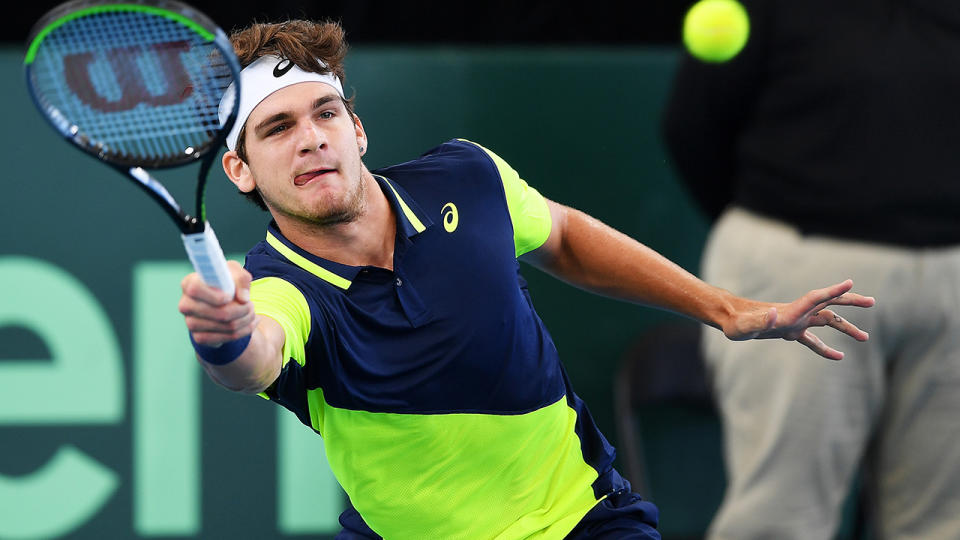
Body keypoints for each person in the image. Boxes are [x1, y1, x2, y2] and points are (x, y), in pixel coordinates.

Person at [178, 18, 874, 540]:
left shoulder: (469, 178)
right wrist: (225, 337)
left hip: (585, 521)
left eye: (325, 113)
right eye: (276, 129)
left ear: (356, 129)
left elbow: (565, 236)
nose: (311, 137)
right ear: (238, 170)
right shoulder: (278, 287)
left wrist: (724, 309)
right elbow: (253, 357)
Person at [661, 1, 960, 539]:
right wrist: (782, 222)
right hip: (797, 266)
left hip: (951, 280)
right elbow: (691, 128)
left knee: (944, 524)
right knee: (780, 519)